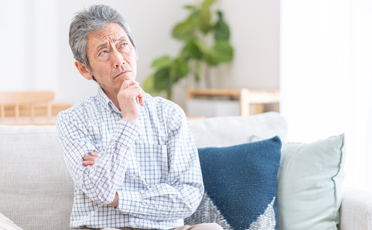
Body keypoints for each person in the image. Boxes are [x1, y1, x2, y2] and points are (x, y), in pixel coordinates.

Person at [56, 4, 222, 230]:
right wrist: (129, 120)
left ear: (135, 50)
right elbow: (99, 190)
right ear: (85, 69)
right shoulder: (73, 119)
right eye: (103, 52)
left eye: (123, 45)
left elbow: (188, 196)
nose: (119, 59)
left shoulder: (170, 114)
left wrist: (118, 198)